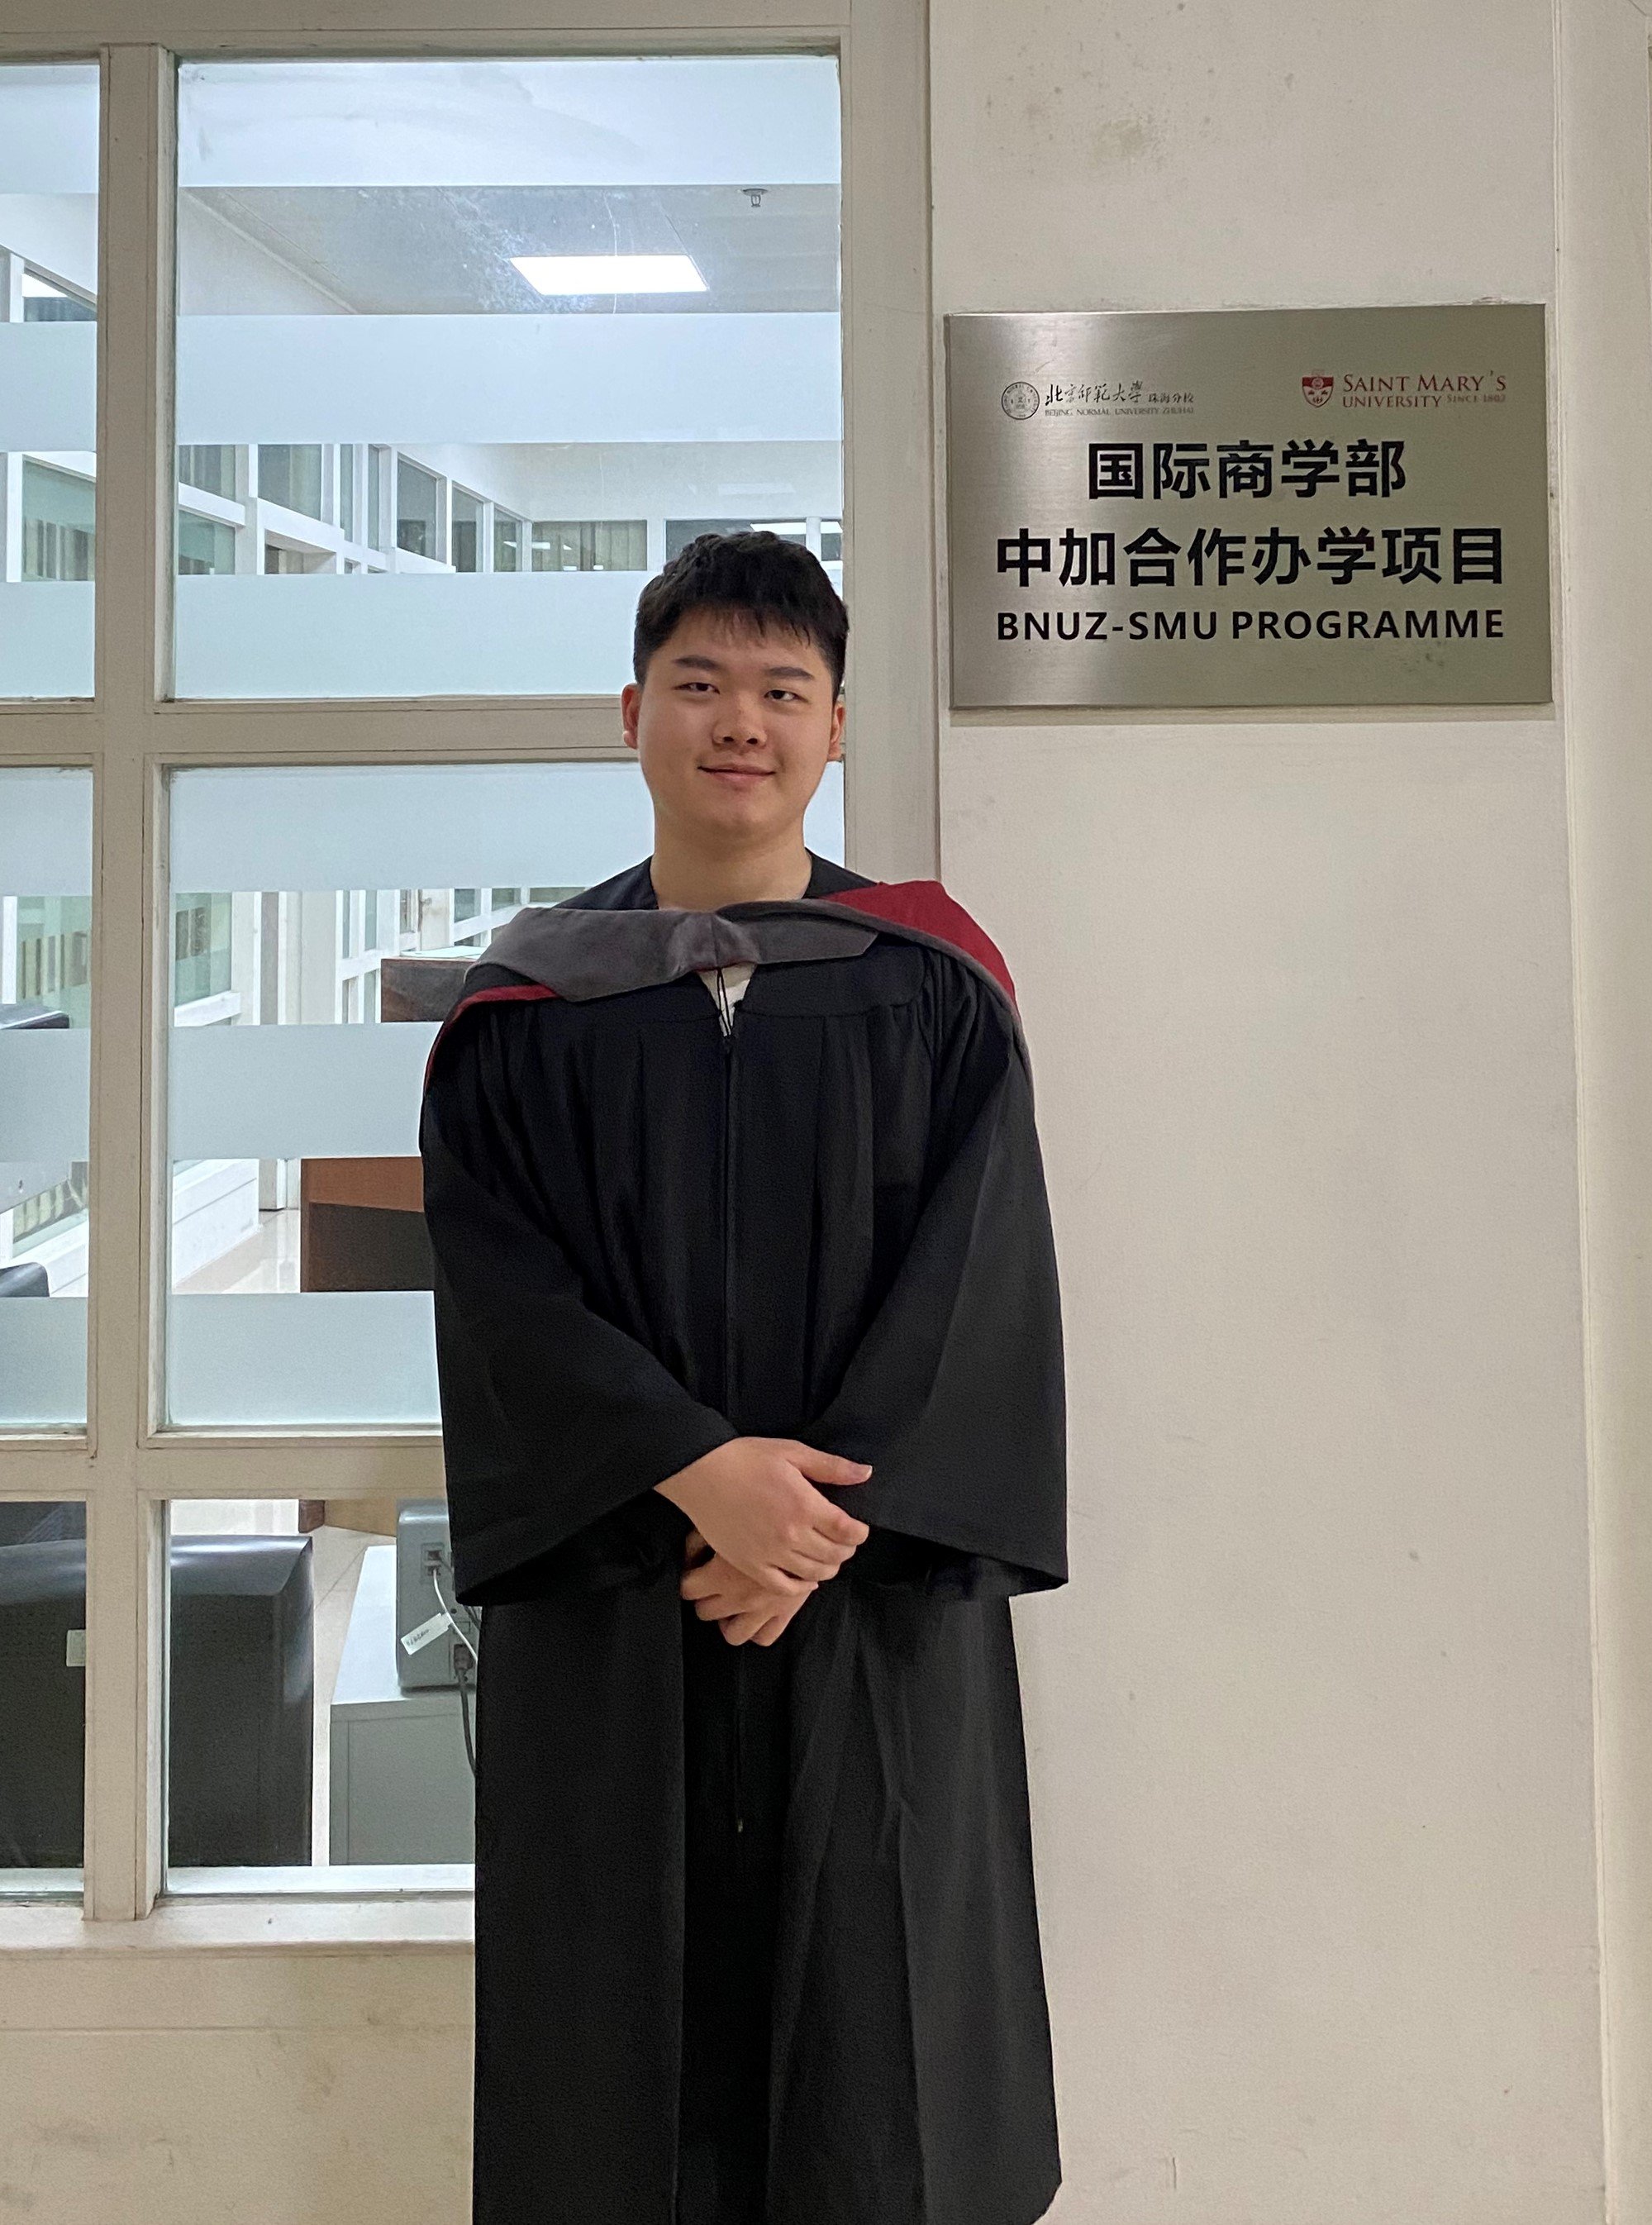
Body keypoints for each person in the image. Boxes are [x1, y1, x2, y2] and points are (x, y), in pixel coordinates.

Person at [418, 531, 1069, 2225]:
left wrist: (803, 1517)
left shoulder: (932, 985)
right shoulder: (528, 1005)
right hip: (625, 1588)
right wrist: (696, 1469)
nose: (741, 722)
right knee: (616, 2053)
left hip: (862, 1601)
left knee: (880, 2032)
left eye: (783, 690)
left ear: (837, 726)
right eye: (700, 684)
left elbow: (975, 1280)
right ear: (632, 711)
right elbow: (504, 1290)